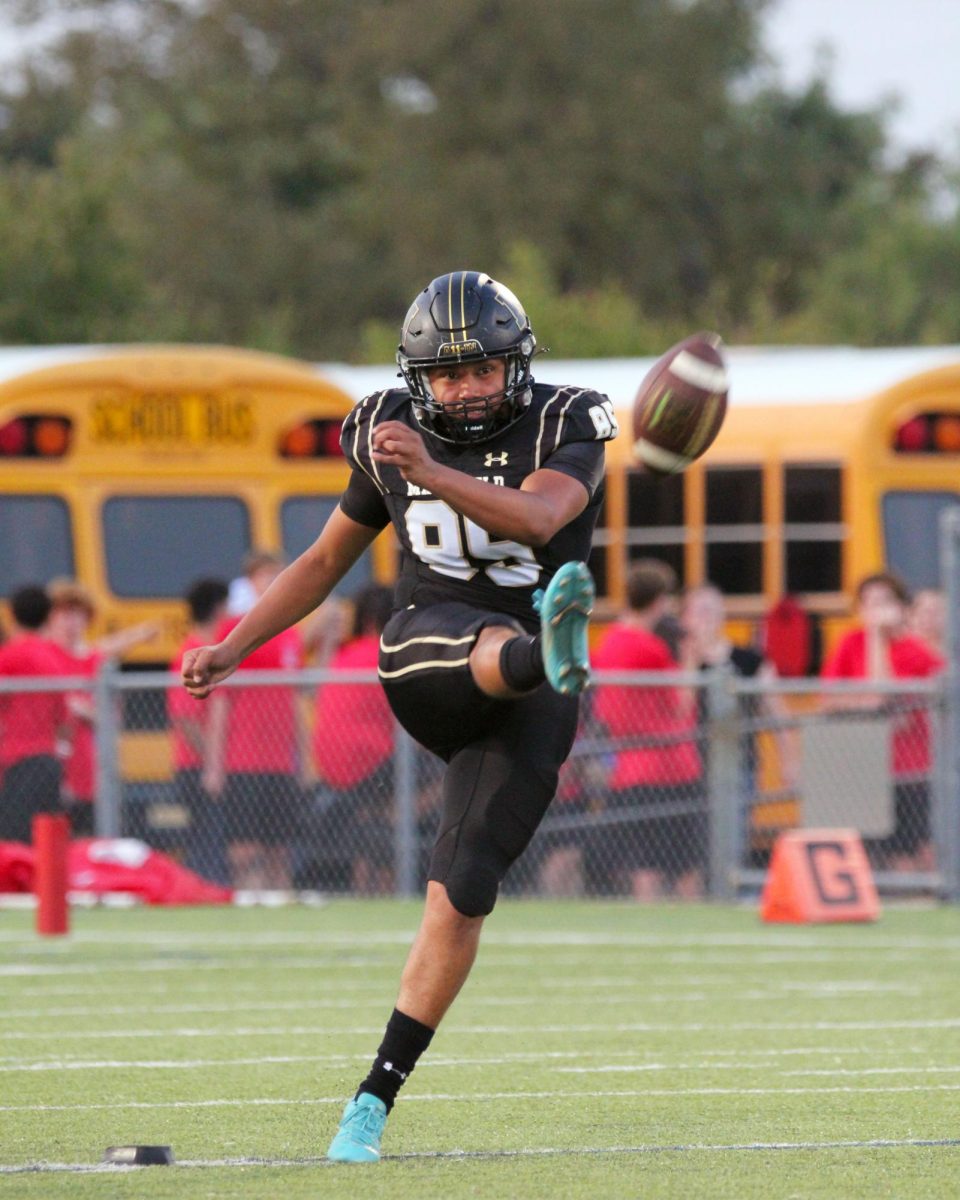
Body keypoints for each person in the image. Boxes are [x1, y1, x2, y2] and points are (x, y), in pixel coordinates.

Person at [182, 270, 616, 1162]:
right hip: (430, 655)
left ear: (518, 364)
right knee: (445, 634)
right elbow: (322, 560)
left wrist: (429, 470)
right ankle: (548, 646)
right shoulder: (386, 427)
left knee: (462, 895)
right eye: (447, 376)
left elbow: (541, 517)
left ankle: (370, 1104)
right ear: (420, 377)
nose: (463, 389)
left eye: (482, 370)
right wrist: (234, 646)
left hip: (529, 698)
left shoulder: (567, 419)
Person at [591, 560, 702, 899]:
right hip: (668, 766)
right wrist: (691, 658)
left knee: (644, 863)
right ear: (659, 601)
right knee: (685, 865)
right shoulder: (649, 647)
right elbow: (681, 702)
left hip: (628, 766)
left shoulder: (609, 642)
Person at [821, 571, 943, 871]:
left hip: (910, 770)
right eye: (869, 604)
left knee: (913, 852)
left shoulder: (914, 650)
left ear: (901, 607)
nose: (876, 611)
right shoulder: (850, 642)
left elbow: (882, 697)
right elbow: (829, 698)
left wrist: (877, 638)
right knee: (871, 853)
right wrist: (863, 704)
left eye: (884, 602)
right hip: (863, 765)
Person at [203, 552, 305, 891]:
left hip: (280, 761)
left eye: (278, 575)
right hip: (243, 759)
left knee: (280, 848)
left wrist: (303, 759)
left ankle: (281, 908)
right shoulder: (235, 630)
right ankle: (249, 899)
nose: (272, 583)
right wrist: (214, 764)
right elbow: (220, 702)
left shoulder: (291, 631)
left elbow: (295, 699)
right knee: (244, 850)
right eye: (265, 576)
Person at [45, 579, 158, 837]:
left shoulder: (96, 661)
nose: (70, 623)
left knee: (90, 840)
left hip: (89, 769)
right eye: (63, 615)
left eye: (77, 616)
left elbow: (111, 716)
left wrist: (82, 710)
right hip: (50, 766)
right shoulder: (41, 657)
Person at [309, 583, 396, 893]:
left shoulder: (342, 656)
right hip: (369, 767)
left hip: (332, 769)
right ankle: (396, 823)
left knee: (371, 824)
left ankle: (386, 823)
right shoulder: (390, 655)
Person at [681, 582, 799, 804]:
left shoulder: (752, 661)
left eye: (711, 610)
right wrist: (690, 659)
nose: (706, 618)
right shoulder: (677, 663)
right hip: (691, 768)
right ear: (685, 618)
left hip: (739, 763)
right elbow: (681, 710)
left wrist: (789, 761)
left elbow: (778, 715)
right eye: (698, 611)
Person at [167, 578, 230, 883]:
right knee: (207, 839)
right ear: (218, 608)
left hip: (202, 764)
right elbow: (186, 717)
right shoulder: (193, 652)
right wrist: (212, 762)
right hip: (196, 766)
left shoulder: (198, 650)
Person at [0, 586, 70, 842]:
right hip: (48, 759)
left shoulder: (8, 657)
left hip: (16, 760)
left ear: (12, 614)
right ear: (48, 616)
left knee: (11, 838)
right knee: (45, 841)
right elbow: (63, 718)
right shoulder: (54, 657)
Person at [909, 587, 946, 659]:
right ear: (911, 614)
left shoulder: (953, 650)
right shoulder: (898, 647)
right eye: (925, 611)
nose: (930, 617)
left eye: (937, 612)